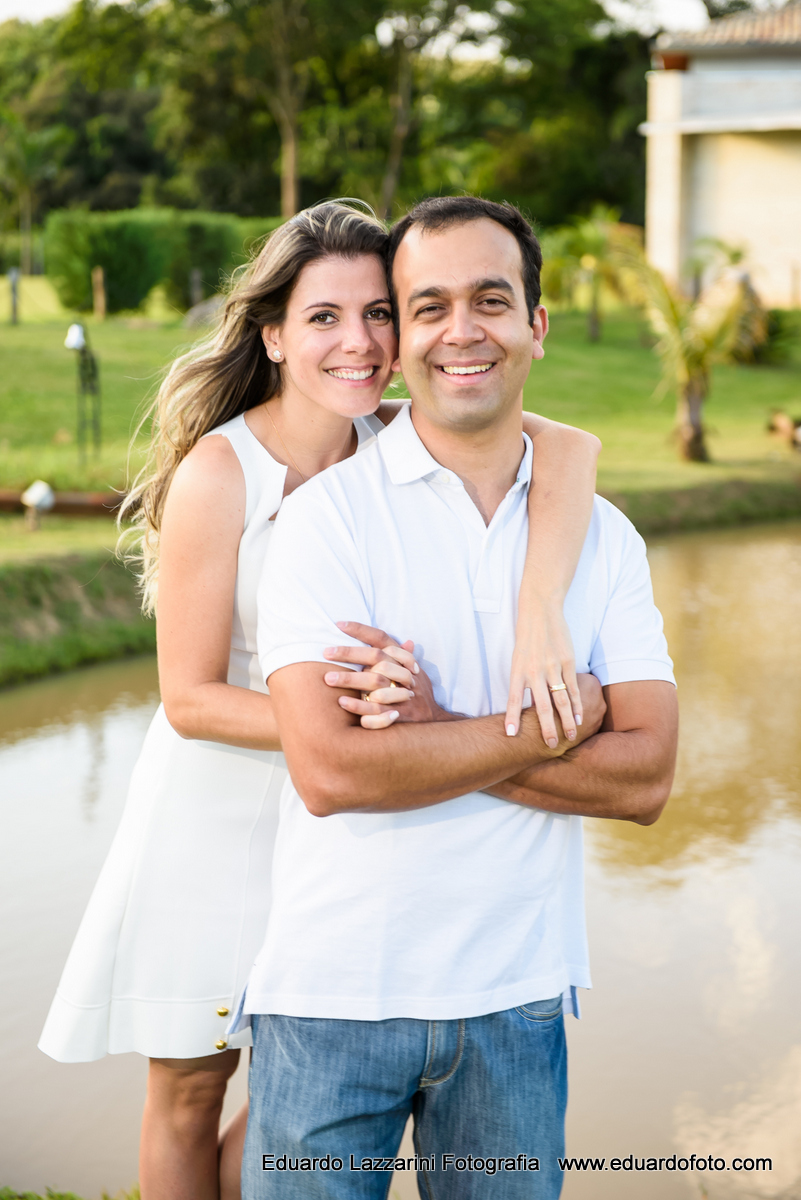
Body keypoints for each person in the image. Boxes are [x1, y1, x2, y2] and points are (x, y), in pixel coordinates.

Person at [37, 201, 601, 1200]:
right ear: (274, 336)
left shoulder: (395, 440)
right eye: (326, 318)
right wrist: (336, 726)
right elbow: (189, 697)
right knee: (191, 1085)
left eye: (379, 314)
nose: (362, 342)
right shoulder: (224, 470)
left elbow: (571, 450)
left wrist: (541, 608)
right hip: (217, 817)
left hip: (336, 831)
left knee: (313, 1071)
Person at [240, 196, 679, 1199]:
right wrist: (567, 729)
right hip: (331, 994)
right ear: (397, 338)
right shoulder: (326, 523)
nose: (462, 330)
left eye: (492, 298)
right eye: (427, 306)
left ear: (538, 323)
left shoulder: (602, 536)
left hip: (517, 1002)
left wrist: (434, 734)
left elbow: (647, 776)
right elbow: (332, 769)